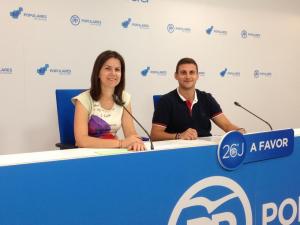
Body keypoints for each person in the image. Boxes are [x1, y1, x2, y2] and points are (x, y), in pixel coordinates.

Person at [151, 57, 245, 141]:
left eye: (192, 72)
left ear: (197, 76)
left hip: (206, 150)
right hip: (178, 151)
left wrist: (239, 131)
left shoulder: (206, 98)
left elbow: (226, 125)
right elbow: (155, 135)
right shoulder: (165, 101)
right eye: (183, 72)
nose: (188, 76)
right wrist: (179, 136)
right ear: (176, 76)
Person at [73, 50, 145, 151]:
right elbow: (81, 140)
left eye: (117, 69)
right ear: (98, 72)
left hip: (113, 152)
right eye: (108, 68)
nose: (113, 73)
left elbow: (130, 134)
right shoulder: (83, 99)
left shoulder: (124, 98)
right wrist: (121, 143)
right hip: (88, 155)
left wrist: (136, 142)